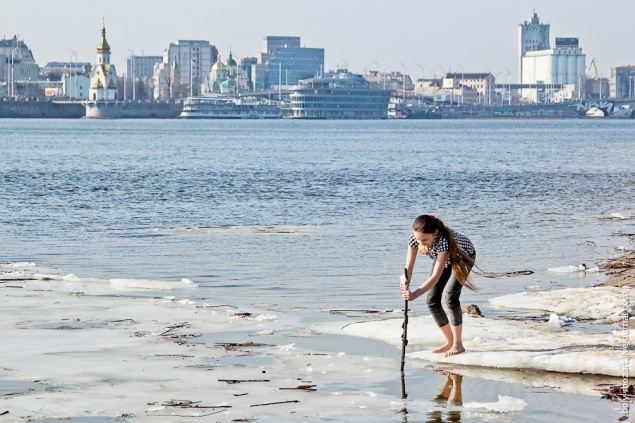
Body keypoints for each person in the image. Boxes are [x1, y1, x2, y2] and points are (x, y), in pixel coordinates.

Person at [400, 214, 477, 357]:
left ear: (435, 232)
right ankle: (449, 341)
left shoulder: (443, 241)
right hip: (443, 260)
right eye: (418, 239)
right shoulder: (414, 240)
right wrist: (405, 282)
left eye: (425, 240)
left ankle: (458, 344)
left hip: (463, 258)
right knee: (432, 301)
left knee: (450, 298)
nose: (421, 244)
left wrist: (414, 294)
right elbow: (408, 268)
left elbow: (435, 276)